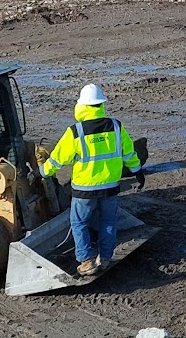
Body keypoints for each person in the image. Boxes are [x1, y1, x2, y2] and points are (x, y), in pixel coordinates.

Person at [41, 83, 144, 277]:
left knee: (79, 223)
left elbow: (58, 159)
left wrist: (43, 171)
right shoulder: (116, 126)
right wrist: (137, 170)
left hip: (84, 190)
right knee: (108, 221)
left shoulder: (75, 132)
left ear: (81, 106)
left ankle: (86, 261)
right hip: (111, 186)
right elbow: (129, 152)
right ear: (101, 105)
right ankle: (105, 258)